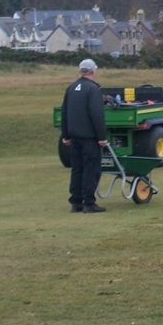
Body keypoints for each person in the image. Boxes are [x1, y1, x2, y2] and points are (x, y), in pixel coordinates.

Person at [60, 58, 108, 213]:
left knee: (77, 169)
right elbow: (96, 114)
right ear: (93, 71)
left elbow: (65, 112)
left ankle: (76, 202)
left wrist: (66, 135)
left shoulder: (72, 88)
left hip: (74, 137)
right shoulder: (93, 89)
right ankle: (89, 202)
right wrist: (102, 136)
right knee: (91, 169)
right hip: (89, 138)